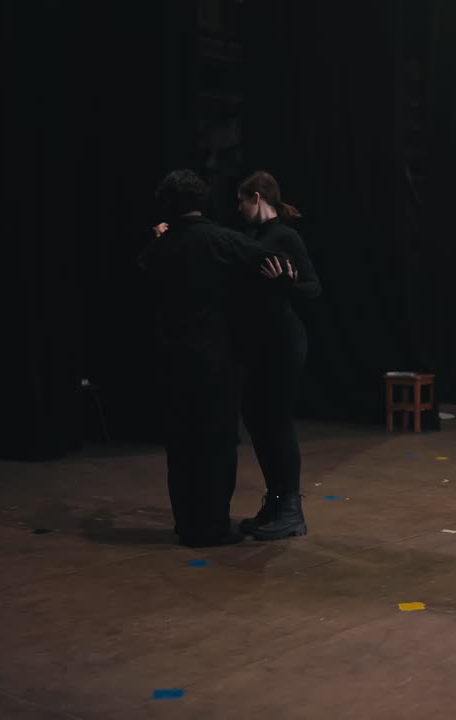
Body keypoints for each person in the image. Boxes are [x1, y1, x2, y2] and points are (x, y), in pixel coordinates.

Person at [139, 169, 284, 548]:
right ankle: (213, 525)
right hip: (216, 358)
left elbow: (146, 276)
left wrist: (159, 239)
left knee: (182, 445)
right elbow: (273, 261)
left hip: (172, 359)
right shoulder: (221, 240)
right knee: (216, 442)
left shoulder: (162, 246)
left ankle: (187, 522)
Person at [232, 171, 322, 541]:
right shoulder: (254, 237)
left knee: (277, 423)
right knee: (259, 422)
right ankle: (276, 501)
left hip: (284, 344)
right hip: (262, 345)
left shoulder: (284, 235)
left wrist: (287, 286)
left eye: (241, 200)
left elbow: (313, 288)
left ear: (256, 198)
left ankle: (291, 509)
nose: (237, 208)